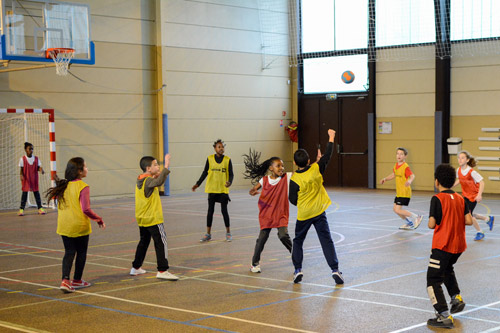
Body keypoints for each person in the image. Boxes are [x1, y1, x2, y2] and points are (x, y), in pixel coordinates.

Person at [289, 129, 344, 285]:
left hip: (304, 214)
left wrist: (303, 203)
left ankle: (298, 269)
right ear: (308, 161)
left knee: (298, 241)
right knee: (326, 240)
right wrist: (331, 137)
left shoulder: (294, 179)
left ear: (294, 163)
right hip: (319, 212)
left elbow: (292, 199)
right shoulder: (316, 169)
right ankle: (335, 270)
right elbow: (327, 155)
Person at [45, 157, 105, 293]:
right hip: (79, 226)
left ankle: (65, 280)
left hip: (64, 226)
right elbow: (86, 209)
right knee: (81, 253)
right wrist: (98, 219)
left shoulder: (63, 185)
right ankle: (77, 280)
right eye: (85, 166)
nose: (87, 169)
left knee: (69, 252)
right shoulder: (83, 186)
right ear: (79, 171)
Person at [426, 164, 472, 329]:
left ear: (437, 182)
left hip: (442, 245)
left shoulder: (437, 199)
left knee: (433, 279)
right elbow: (469, 221)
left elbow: (432, 224)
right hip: (458, 246)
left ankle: (443, 314)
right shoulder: (460, 198)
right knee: (446, 269)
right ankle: (456, 297)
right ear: (453, 182)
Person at [243, 149, 292, 273]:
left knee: (283, 235)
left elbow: (302, 171)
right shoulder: (263, 180)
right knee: (262, 239)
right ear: (271, 168)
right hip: (267, 214)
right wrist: (252, 191)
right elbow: (253, 190)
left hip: (280, 214)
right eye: (278, 166)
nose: (281, 168)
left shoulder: (286, 178)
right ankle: (254, 264)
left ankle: (295, 255)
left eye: (282, 165)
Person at [130, 154, 178, 281]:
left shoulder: (141, 179)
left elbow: (154, 180)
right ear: (148, 168)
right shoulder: (149, 181)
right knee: (161, 242)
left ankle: (136, 267)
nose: (158, 166)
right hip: (153, 218)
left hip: (142, 218)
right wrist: (167, 166)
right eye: (155, 164)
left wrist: (155, 175)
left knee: (144, 242)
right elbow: (159, 181)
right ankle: (163, 270)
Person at [192, 139, 234, 242]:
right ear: (215, 148)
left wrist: (229, 182)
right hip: (212, 189)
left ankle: (228, 233)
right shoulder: (210, 159)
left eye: (222, 147)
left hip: (223, 190)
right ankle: (208, 234)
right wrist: (198, 183)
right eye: (219, 147)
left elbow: (231, 174)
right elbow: (205, 172)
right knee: (210, 211)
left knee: (224, 211)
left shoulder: (227, 160)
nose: (221, 148)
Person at [453, 150, 495, 241]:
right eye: (459, 158)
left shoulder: (471, 172)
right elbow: (460, 180)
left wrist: (479, 195)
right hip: (465, 195)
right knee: (467, 213)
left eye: (462, 158)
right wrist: (451, 186)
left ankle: (480, 232)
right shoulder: (458, 170)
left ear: (467, 160)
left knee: (469, 215)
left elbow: (482, 182)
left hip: (473, 196)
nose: (460, 160)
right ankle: (487, 219)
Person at [380, 147, 423, 230]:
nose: (399, 155)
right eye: (397, 153)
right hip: (399, 192)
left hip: (405, 191)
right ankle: (409, 223)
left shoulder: (405, 166)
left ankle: (416, 217)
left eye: (401, 154)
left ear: (405, 156)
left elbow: (412, 175)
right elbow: (393, 175)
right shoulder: (396, 165)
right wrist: (385, 179)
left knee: (398, 210)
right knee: (395, 209)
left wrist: (410, 181)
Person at [19, 142, 46, 216]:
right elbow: (21, 169)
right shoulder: (22, 159)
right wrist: (21, 175)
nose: (31, 150)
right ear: (25, 150)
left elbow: (38, 167)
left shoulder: (36, 159)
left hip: (34, 179)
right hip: (26, 179)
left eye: (32, 149)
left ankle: (40, 208)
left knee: (36, 194)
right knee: (24, 194)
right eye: (29, 149)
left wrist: (41, 169)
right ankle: (21, 209)